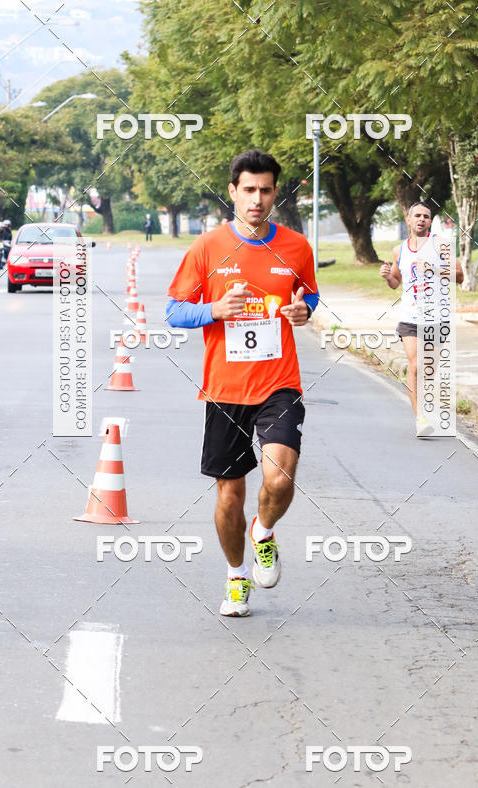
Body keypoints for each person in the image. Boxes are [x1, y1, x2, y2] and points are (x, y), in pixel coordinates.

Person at [166, 149, 319, 617]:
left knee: (280, 475)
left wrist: (303, 311)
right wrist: (216, 309)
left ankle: (265, 530)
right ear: (232, 191)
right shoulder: (207, 248)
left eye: (266, 190)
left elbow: (308, 294)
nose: (257, 199)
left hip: (279, 383)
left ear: (276, 192)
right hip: (225, 391)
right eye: (248, 190)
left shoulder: (295, 247)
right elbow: (174, 311)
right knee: (229, 496)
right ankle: (236, 576)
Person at [379, 201, 463, 435]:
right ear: (409, 219)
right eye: (417, 215)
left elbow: (460, 276)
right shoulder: (400, 250)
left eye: (426, 216)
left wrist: (434, 269)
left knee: (428, 369)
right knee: (415, 366)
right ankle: (421, 420)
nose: (422, 219)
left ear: (430, 221)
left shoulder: (441, 246)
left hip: (437, 317)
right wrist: (387, 276)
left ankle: (424, 408)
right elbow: (396, 281)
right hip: (410, 317)